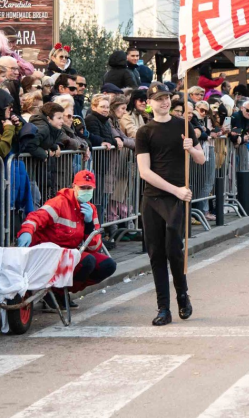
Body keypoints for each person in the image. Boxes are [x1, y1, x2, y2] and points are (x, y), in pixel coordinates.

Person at [135, 82, 203, 326]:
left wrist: (191, 149)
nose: (164, 102)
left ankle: (182, 296)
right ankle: (163, 308)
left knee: (174, 248)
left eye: (167, 98)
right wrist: (175, 189)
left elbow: (201, 158)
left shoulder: (184, 125)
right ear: (149, 103)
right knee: (156, 254)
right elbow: (144, 171)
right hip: (154, 197)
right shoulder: (144, 132)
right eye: (158, 99)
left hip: (177, 199)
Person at [17, 170, 116, 303]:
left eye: (89, 188)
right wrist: (27, 231)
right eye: (82, 188)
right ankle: (54, 292)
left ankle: (61, 291)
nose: (86, 191)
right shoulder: (59, 202)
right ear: (73, 186)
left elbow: (95, 247)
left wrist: (89, 225)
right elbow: (36, 217)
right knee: (88, 261)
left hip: (67, 254)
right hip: (47, 253)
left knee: (107, 265)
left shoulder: (90, 209)